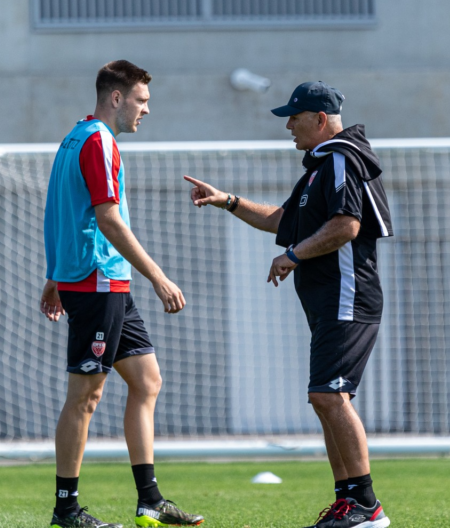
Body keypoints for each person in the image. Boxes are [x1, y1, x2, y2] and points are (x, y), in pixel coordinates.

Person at [185, 81, 394, 528]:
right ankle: (347, 503)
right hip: (329, 299)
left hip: (347, 294)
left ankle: (367, 506)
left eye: (294, 117)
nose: (288, 125)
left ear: (320, 120)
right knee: (325, 398)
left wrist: (293, 256)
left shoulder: (339, 158)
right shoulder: (319, 167)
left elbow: (346, 225)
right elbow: (284, 220)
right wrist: (227, 200)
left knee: (329, 394)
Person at [40, 60, 203, 528]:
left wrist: (54, 276)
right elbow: (107, 217)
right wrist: (158, 275)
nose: (146, 110)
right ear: (116, 97)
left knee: (147, 381)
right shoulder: (98, 142)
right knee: (85, 396)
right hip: (97, 282)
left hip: (99, 280)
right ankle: (66, 510)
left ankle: (149, 500)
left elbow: (60, 208)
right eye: (141, 100)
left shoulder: (75, 135)